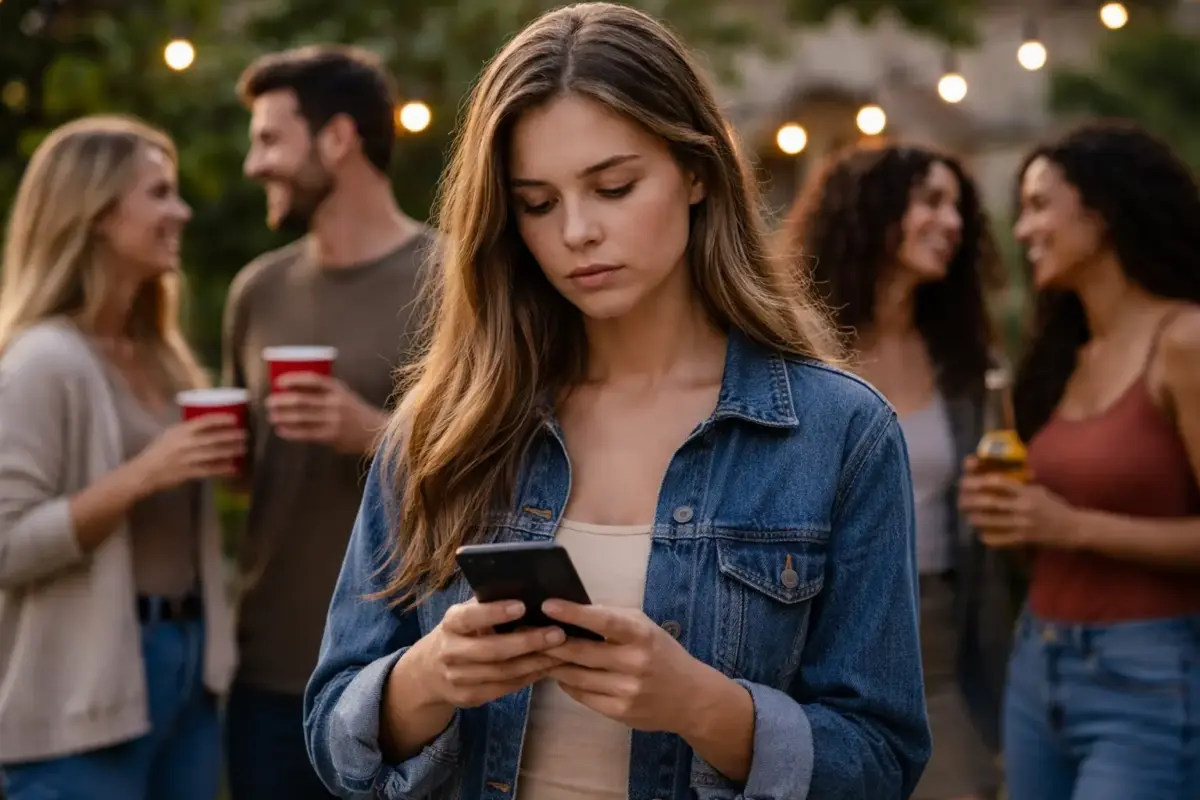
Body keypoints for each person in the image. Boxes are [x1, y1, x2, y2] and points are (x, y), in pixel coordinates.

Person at [305, 4, 930, 799]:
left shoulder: (839, 434)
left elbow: (881, 761)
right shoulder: (445, 426)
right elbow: (332, 735)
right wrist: (427, 677)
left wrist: (704, 707)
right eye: (537, 203)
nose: (576, 231)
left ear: (697, 171)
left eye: (613, 187)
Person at [0, 116, 243, 799]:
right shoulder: (42, 362)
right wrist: (144, 474)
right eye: (159, 193)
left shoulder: (163, 356)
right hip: (83, 691)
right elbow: (6, 544)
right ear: (98, 215)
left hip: (190, 667)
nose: (182, 212)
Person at [960, 121, 1200, 799]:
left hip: (1148, 675)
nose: (1023, 230)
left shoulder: (1184, 342)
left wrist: (1070, 526)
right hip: (1038, 663)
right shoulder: (1061, 360)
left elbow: (1071, 526)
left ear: (1104, 212)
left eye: (1040, 206)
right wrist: (1011, 519)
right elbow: (1045, 539)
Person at [221, 45, 434, 799]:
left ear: (338, 138)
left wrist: (373, 434)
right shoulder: (258, 290)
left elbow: (509, 469)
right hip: (269, 671)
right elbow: (250, 477)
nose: (254, 164)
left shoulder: (452, 280)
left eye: (269, 140)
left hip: (402, 676)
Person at [779, 142, 1006, 800]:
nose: (952, 223)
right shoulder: (800, 348)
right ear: (872, 211)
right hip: (812, 626)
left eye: (958, 208)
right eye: (931, 201)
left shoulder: (965, 362)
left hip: (938, 633)